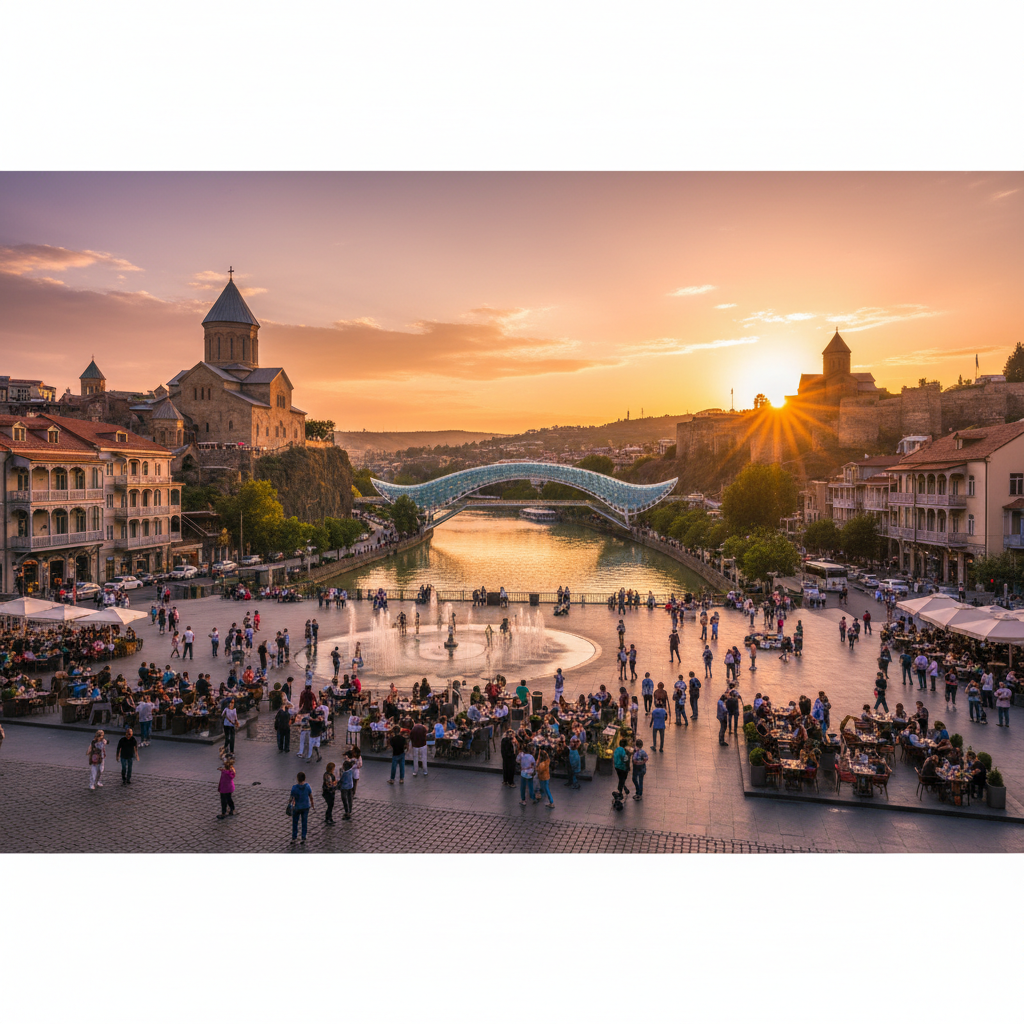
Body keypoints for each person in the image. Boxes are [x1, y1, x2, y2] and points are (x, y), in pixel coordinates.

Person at [288, 771, 314, 844]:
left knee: (295, 822)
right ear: (304, 778)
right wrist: (312, 804)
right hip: (305, 807)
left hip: (297, 807)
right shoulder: (308, 786)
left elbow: (291, 798)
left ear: (297, 779)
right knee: (304, 822)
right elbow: (311, 796)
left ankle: (294, 837)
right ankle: (303, 837)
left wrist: (290, 804)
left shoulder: (294, 788)